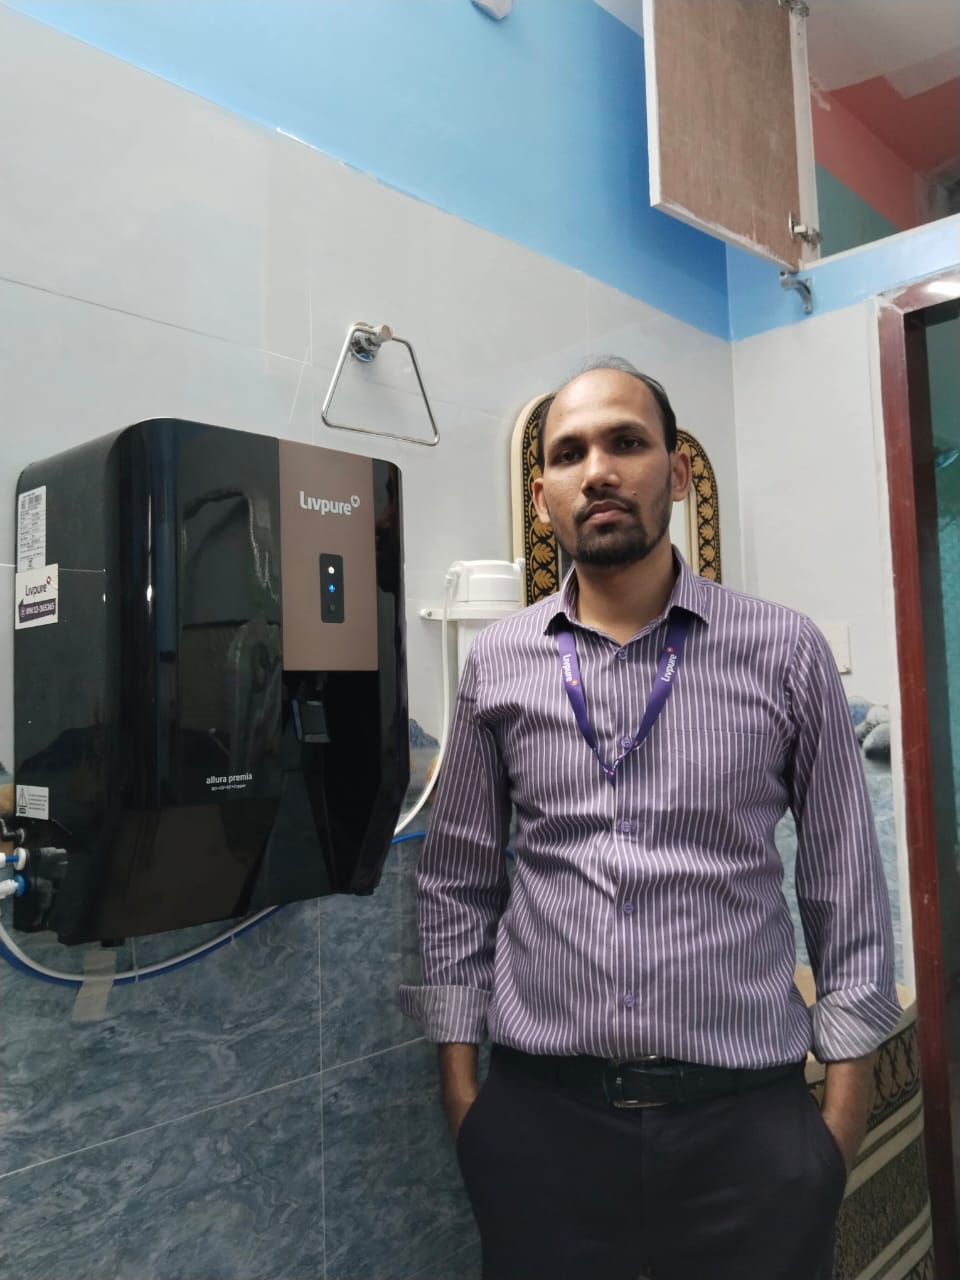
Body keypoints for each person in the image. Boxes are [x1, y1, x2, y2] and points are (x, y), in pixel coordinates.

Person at [399, 358, 899, 1280]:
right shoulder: (498, 663)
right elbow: (458, 881)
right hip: (541, 1130)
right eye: (569, 453)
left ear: (676, 472)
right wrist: (467, 1102)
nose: (598, 470)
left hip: (748, 1132)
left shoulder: (783, 651)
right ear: (543, 497)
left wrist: (835, 1125)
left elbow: (844, 888)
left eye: (626, 442)